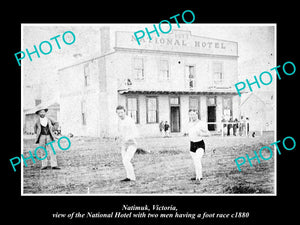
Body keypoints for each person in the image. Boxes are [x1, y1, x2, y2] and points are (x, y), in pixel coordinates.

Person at [116, 105, 139, 182]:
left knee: (126, 160)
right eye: (118, 113)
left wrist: (128, 139)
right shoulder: (120, 122)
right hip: (124, 144)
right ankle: (128, 176)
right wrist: (118, 137)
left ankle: (132, 177)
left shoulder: (130, 120)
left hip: (131, 143)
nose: (120, 114)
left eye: (121, 112)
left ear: (125, 112)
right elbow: (120, 132)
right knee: (124, 161)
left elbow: (135, 133)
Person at [186, 110, 210, 182]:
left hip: (200, 144)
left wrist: (201, 134)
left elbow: (208, 134)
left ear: (197, 114)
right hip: (192, 145)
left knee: (197, 159)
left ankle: (199, 178)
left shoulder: (201, 123)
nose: (192, 116)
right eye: (190, 114)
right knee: (195, 161)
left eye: (194, 114)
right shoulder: (189, 124)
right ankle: (198, 175)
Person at [34, 106, 60, 170]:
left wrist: (53, 129)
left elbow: (56, 123)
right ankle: (44, 165)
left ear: (45, 113)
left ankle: (54, 165)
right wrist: (38, 133)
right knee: (42, 151)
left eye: (43, 112)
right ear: (38, 114)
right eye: (40, 112)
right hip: (41, 137)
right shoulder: (37, 121)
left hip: (49, 136)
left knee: (52, 150)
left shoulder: (49, 119)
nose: (42, 113)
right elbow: (35, 128)